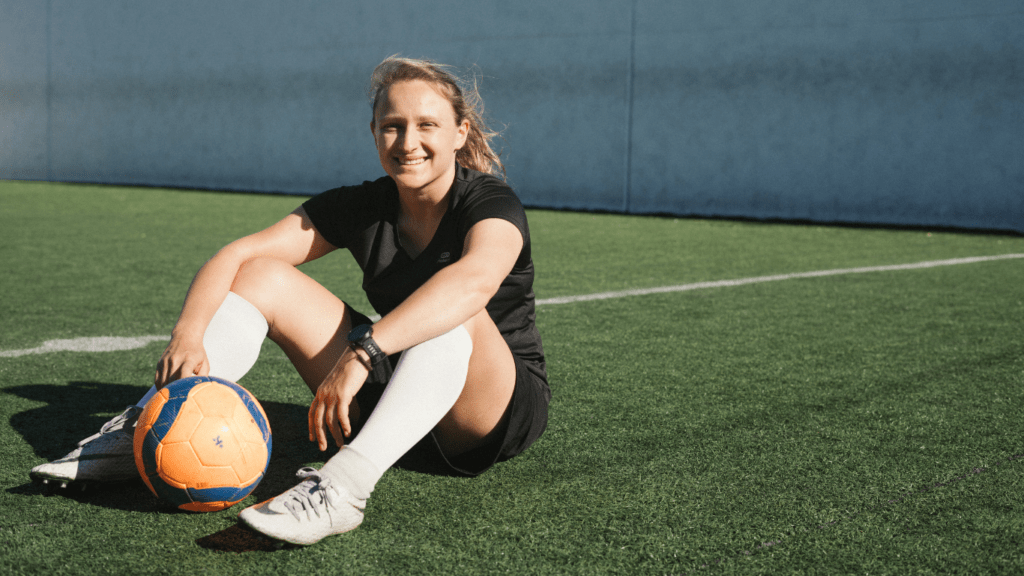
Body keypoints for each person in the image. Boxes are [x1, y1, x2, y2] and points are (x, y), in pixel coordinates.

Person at [30, 56, 550, 546]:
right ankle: (141, 434)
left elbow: (472, 283)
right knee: (261, 275)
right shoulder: (364, 204)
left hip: (485, 415)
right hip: (396, 399)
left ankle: (342, 489)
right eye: (392, 125)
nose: (407, 141)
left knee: (453, 314)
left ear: (460, 133)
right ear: (374, 133)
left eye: (426, 125)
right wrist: (187, 334)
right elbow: (236, 256)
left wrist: (365, 349)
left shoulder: (489, 201)